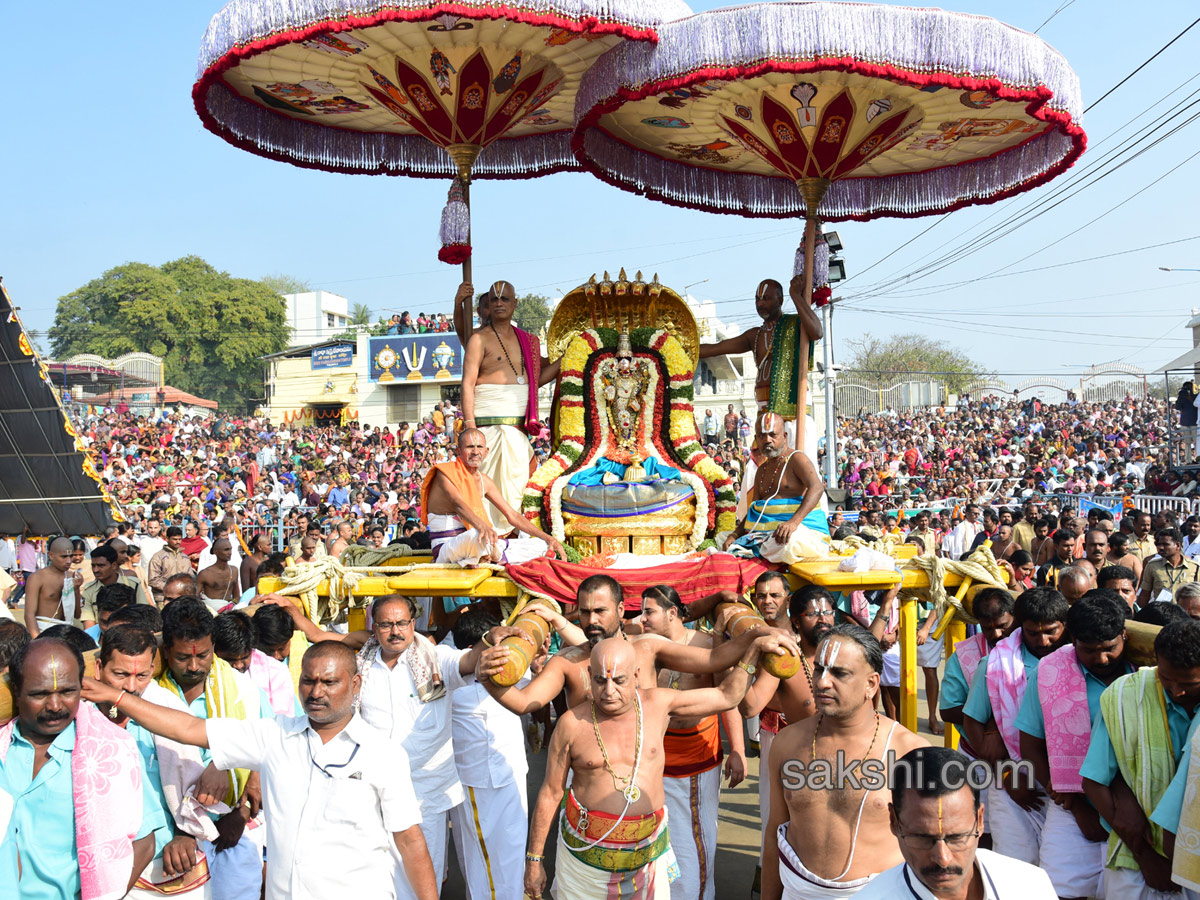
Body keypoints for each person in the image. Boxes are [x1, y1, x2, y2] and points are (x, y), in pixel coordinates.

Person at [82, 641, 440, 900]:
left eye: (329, 683)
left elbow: (410, 841)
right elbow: (188, 729)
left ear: (356, 685)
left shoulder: (383, 753)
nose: (316, 692)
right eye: (308, 681)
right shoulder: (275, 736)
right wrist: (115, 697)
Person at [523, 634, 775, 900]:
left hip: (648, 859)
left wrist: (753, 651)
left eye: (619, 680)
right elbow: (551, 792)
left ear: (636, 675)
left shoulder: (658, 705)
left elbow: (726, 696)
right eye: (600, 680)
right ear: (589, 674)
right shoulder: (571, 724)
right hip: (585, 865)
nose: (609, 691)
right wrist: (534, 860)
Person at [762, 624, 925, 899]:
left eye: (839, 673)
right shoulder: (786, 744)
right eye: (819, 669)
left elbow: (930, 846)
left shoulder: (909, 751)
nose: (823, 682)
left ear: (871, 684)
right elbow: (774, 833)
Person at [0, 638, 164, 899]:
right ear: (16, 690)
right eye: (39, 694)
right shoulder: (3, 749)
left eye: (67, 692)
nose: (55, 706)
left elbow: (144, 842)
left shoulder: (112, 752)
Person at [1016, 593, 1132, 900]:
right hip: (1072, 808)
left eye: (1109, 649)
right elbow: (1030, 745)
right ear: (1073, 639)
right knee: (1058, 890)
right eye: (1089, 651)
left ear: (1124, 636)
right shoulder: (1050, 672)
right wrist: (1077, 808)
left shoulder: (1143, 675)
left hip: (1136, 811)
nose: (1102, 659)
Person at [155, 598, 272, 900]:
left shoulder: (243, 690)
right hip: (171, 839)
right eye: (182, 658)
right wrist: (179, 833)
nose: (194, 666)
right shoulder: (152, 697)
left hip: (235, 828)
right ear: (165, 651)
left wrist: (242, 810)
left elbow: (269, 746)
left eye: (203, 655)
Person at [639, 584, 747, 900]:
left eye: (649, 612)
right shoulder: (644, 644)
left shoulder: (707, 647)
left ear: (673, 613)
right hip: (655, 763)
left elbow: (729, 699)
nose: (641, 618)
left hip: (696, 765)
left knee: (693, 845)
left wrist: (738, 750)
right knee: (657, 845)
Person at [94, 624, 215, 899]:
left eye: (142, 675)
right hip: (104, 865)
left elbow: (208, 761)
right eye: (120, 674)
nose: (130, 687)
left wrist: (186, 833)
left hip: (171, 863)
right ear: (99, 668)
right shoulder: (82, 720)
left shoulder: (166, 710)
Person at [1082, 619, 1200, 899]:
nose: (1177, 691)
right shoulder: (1126, 696)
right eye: (1167, 679)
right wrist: (1145, 855)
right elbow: (1095, 782)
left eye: (1190, 684)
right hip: (1137, 860)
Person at [855, 746, 1057, 899]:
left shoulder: (1031, 886)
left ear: (979, 820)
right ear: (894, 822)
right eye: (923, 838)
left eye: (957, 837)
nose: (942, 858)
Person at [738, 583, 837, 895]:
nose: (823, 620)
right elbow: (751, 705)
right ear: (796, 621)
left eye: (828, 612)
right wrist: (750, 658)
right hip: (801, 768)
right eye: (813, 614)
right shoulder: (784, 658)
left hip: (845, 766)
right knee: (787, 837)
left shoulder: (846, 652)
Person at [961, 587, 1069, 866]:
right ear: (1021, 626)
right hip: (1014, 783)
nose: (1043, 641)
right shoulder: (995, 664)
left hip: (1068, 786)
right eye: (1033, 633)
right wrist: (1006, 775)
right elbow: (972, 722)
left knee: (1060, 872)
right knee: (1016, 865)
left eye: (1051, 632)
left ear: (1065, 626)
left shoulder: (1077, 661)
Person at [460, 280, 560, 532]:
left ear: (515, 304)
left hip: (518, 428)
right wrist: (470, 425)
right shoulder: (477, 340)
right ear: (487, 306)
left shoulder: (529, 341)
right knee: (486, 486)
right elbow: (467, 383)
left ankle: (515, 536)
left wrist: (570, 358)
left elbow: (534, 381)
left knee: (518, 487)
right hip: (487, 427)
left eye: (505, 299)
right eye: (494, 300)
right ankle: (490, 536)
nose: (499, 303)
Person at [444, 607, 530, 900]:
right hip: (474, 781)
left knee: (513, 852)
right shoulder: (449, 675)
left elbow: (531, 680)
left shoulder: (512, 664)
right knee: (481, 861)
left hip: (511, 773)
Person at [698, 277, 823, 460]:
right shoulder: (754, 335)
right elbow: (717, 348)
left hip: (792, 410)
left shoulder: (795, 325)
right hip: (764, 411)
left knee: (797, 466)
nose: (760, 303)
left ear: (780, 300)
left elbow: (817, 331)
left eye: (766, 298)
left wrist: (796, 296)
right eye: (757, 299)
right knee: (761, 470)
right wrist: (682, 347)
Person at [418, 427, 564, 565]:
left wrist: (548, 538)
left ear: (486, 452)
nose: (475, 452)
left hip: (480, 542)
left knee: (542, 545)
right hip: (449, 547)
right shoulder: (445, 473)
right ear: (458, 450)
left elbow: (512, 515)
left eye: (479, 447)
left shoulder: (484, 481)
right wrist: (483, 527)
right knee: (476, 536)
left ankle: (491, 554)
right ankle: (493, 554)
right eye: (469, 447)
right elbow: (458, 504)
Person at [723, 412, 828, 562]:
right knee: (723, 539)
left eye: (773, 435)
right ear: (756, 439)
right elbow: (755, 511)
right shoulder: (762, 470)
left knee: (788, 544)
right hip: (766, 534)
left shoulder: (797, 459)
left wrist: (793, 523)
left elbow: (817, 488)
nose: (767, 440)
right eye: (762, 436)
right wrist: (734, 535)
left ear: (784, 436)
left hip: (801, 530)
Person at [80, 544, 150, 629]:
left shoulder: (132, 584)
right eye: (93, 565)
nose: (95, 570)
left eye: (101, 565)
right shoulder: (89, 590)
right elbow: (89, 625)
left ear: (113, 565)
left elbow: (144, 614)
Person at [23, 536, 81, 636]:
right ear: (51, 555)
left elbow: (77, 614)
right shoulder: (37, 578)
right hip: (43, 632)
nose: (68, 561)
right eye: (63, 556)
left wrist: (76, 589)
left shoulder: (73, 577)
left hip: (67, 632)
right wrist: (38, 641)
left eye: (71, 556)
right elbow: (29, 615)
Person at [1139, 527, 1200, 607]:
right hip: (1161, 614)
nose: (1161, 548)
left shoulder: (1194, 567)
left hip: (1184, 615)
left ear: (1177, 545)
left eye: (1165, 544)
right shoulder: (1152, 566)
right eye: (1159, 544)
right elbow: (1145, 594)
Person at [149, 527, 192, 606]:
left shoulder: (185, 557)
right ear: (167, 538)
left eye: (179, 539)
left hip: (183, 599)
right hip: (163, 599)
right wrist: (172, 589)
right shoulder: (158, 557)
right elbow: (153, 580)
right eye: (175, 539)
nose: (178, 542)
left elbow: (190, 577)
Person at [196, 539, 241, 613]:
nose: (230, 553)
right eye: (226, 550)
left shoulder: (234, 570)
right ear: (216, 552)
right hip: (210, 612)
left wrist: (231, 605)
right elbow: (195, 597)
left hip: (228, 612)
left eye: (230, 549)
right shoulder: (205, 574)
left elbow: (237, 596)